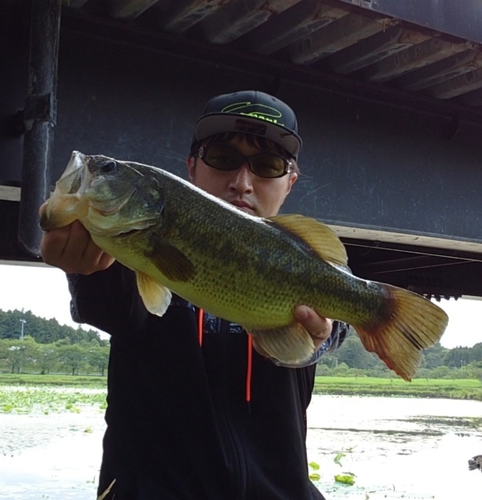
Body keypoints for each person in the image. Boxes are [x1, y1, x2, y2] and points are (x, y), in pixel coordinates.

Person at [40, 90, 348, 500]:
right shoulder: (135, 252)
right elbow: (112, 305)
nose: (242, 182)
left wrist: (321, 337)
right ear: (191, 167)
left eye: (267, 165)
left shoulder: (306, 263)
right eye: (222, 158)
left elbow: (334, 331)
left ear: (290, 182)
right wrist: (81, 268)